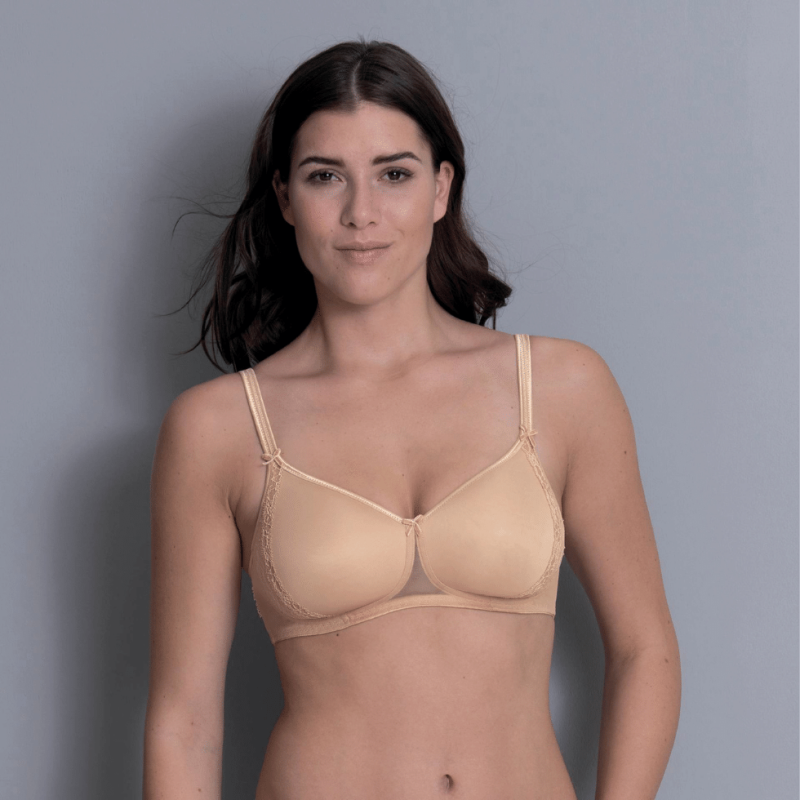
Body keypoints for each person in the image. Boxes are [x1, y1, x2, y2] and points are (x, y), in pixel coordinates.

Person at [143, 39, 681, 800]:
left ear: (440, 189)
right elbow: (185, 719)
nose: (361, 213)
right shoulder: (218, 429)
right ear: (286, 198)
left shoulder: (561, 389)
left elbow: (645, 649)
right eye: (325, 176)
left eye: (394, 174)